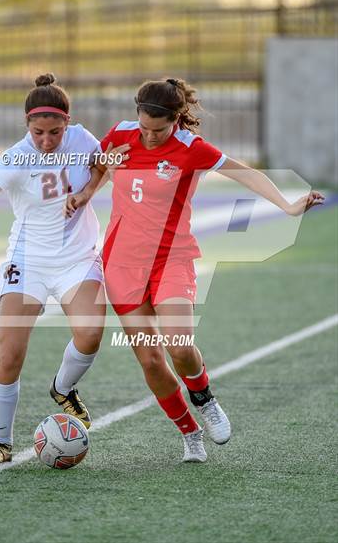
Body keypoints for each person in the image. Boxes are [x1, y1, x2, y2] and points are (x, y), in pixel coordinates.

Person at [66, 77, 324, 463]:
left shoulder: (192, 149)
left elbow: (245, 174)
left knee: (179, 345)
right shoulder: (121, 134)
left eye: (159, 130)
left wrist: (286, 207)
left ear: (176, 120)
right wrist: (86, 192)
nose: (150, 138)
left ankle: (205, 400)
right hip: (122, 264)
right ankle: (190, 434)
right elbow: (101, 165)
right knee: (151, 359)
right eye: (144, 128)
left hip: (172, 259)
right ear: (136, 116)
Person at [0, 73, 128, 465]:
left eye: (54, 131)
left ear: (67, 124)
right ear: (27, 126)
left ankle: (62, 388)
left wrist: (87, 192)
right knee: (9, 355)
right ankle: (0, 442)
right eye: (38, 132)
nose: (46, 140)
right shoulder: (16, 158)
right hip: (28, 262)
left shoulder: (83, 139)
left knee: (90, 333)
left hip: (77, 257)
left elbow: (101, 166)